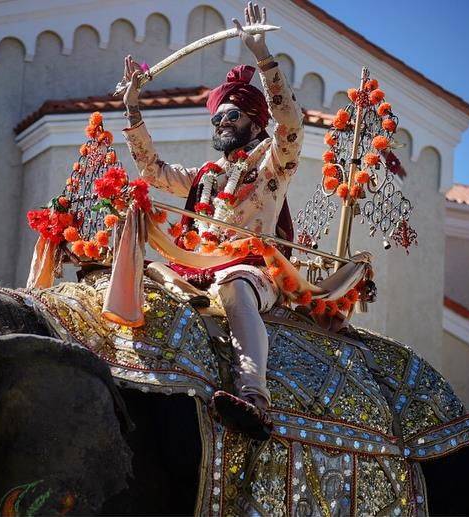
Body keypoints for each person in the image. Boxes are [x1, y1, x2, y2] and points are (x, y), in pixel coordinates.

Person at [120, 2, 304, 441]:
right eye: (218, 118)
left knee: (235, 284)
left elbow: (290, 122)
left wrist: (262, 55)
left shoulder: (272, 163)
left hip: (251, 271)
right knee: (143, 272)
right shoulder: (205, 175)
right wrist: (132, 111)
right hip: (194, 267)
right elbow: (153, 171)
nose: (222, 122)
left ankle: (254, 396)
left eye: (232, 115)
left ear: (256, 124)